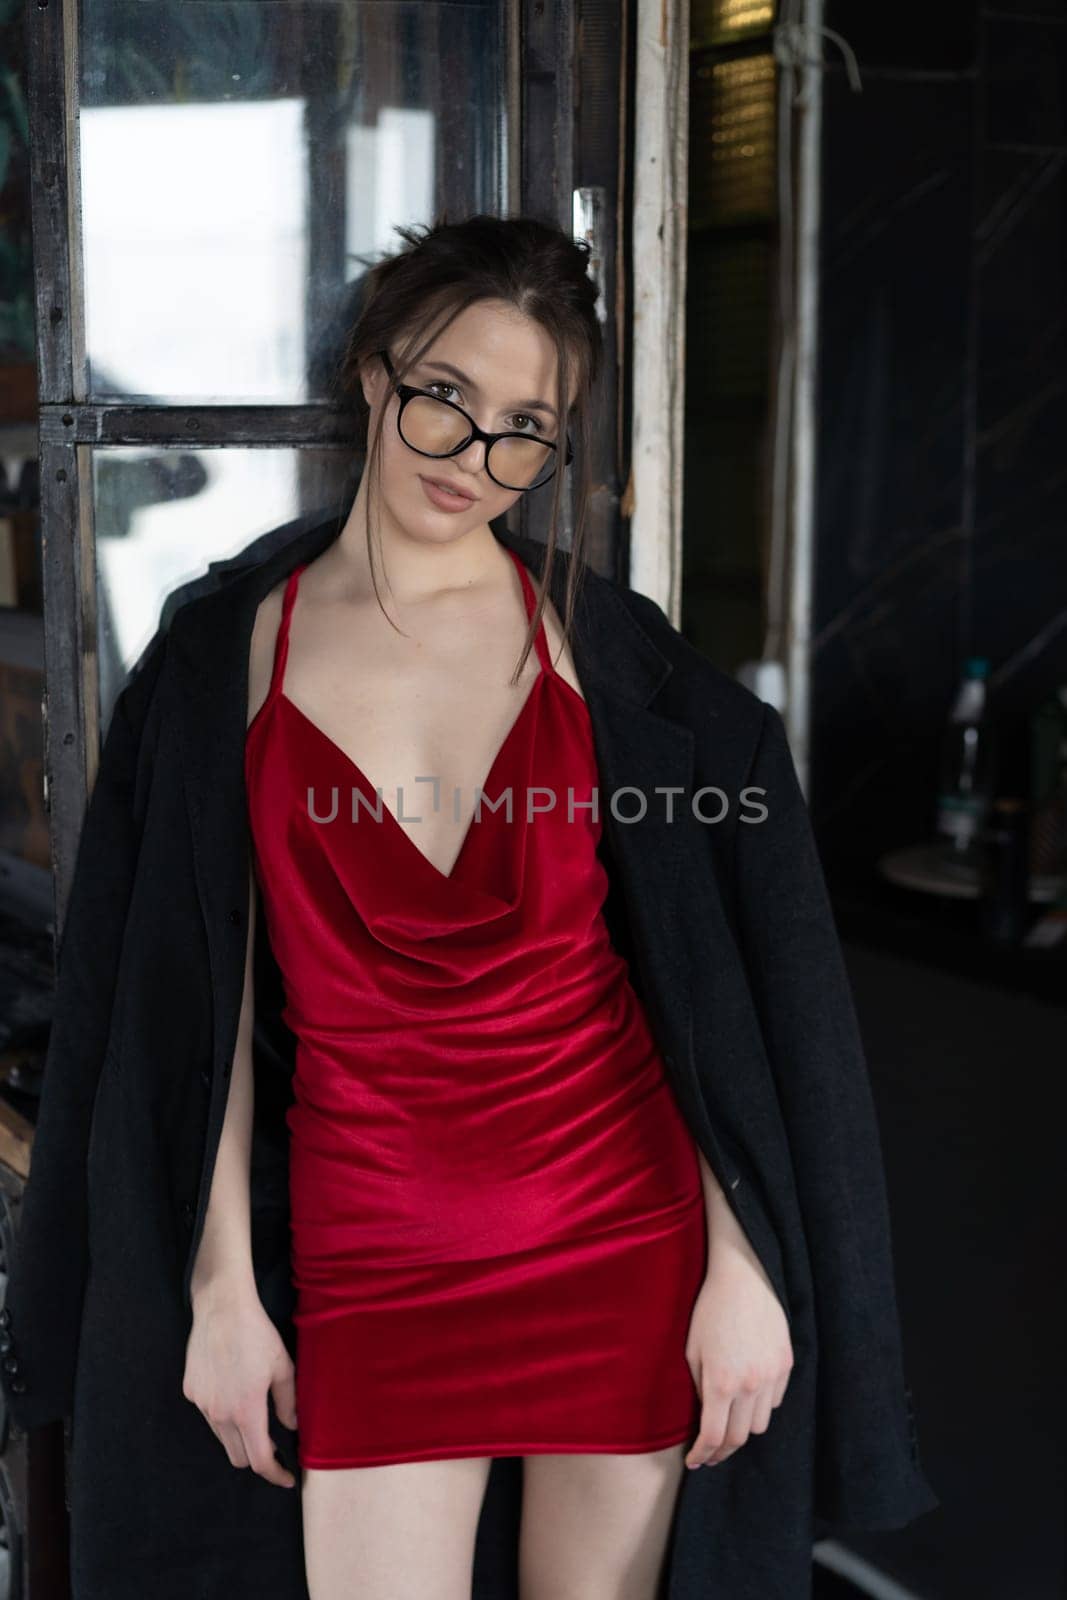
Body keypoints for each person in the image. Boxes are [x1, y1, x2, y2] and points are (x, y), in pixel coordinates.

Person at [0, 215, 937, 1600]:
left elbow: (724, 1012)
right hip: (371, 1253)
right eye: (446, 399)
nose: (473, 460)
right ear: (378, 369)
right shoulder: (226, 654)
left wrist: (747, 1270)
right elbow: (188, 1014)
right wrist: (220, 1292)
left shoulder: (617, 666)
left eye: (523, 429)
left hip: (621, 1235)